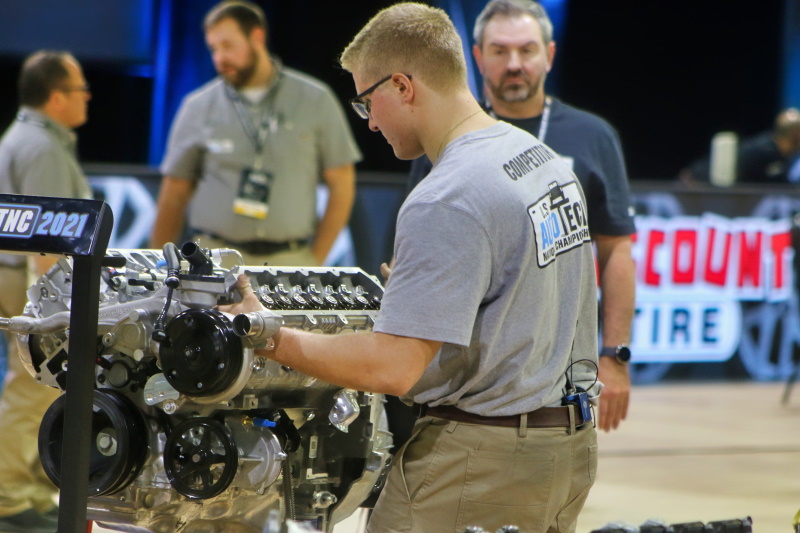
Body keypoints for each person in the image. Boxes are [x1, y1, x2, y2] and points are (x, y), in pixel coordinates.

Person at [221, 3, 599, 531]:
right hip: (567, 450)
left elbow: (391, 369)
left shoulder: (444, 197)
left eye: (367, 101)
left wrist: (269, 334)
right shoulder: (538, 158)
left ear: (402, 85)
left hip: (480, 462)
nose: (371, 121)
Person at [403, 0, 635, 432]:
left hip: (560, 368)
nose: (514, 64)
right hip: (469, 374)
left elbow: (616, 250)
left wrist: (615, 355)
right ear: (476, 58)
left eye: (526, 50)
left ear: (549, 55)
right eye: (499, 51)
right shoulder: (444, 137)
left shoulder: (592, 136)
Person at [150, 0, 361, 267]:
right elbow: (174, 191)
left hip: (290, 261)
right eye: (213, 48)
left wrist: (316, 258)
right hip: (213, 260)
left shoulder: (315, 99)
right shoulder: (197, 106)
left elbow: (342, 183)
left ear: (257, 36)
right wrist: (159, 262)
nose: (219, 58)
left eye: (227, 45)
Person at [0, 50, 93, 533]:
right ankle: (9, 495)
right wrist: (52, 311)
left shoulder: (24, 136)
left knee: (29, 387)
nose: (88, 98)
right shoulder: (43, 149)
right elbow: (47, 245)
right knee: (33, 387)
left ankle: (26, 488)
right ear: (56, 97)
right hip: (29, 282)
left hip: (11, 274)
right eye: (80, 90)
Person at [681, 107, 800, 185]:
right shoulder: (759, 151)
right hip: (694, 182)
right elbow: (731, 185)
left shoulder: (788, 155)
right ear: (794, 134)